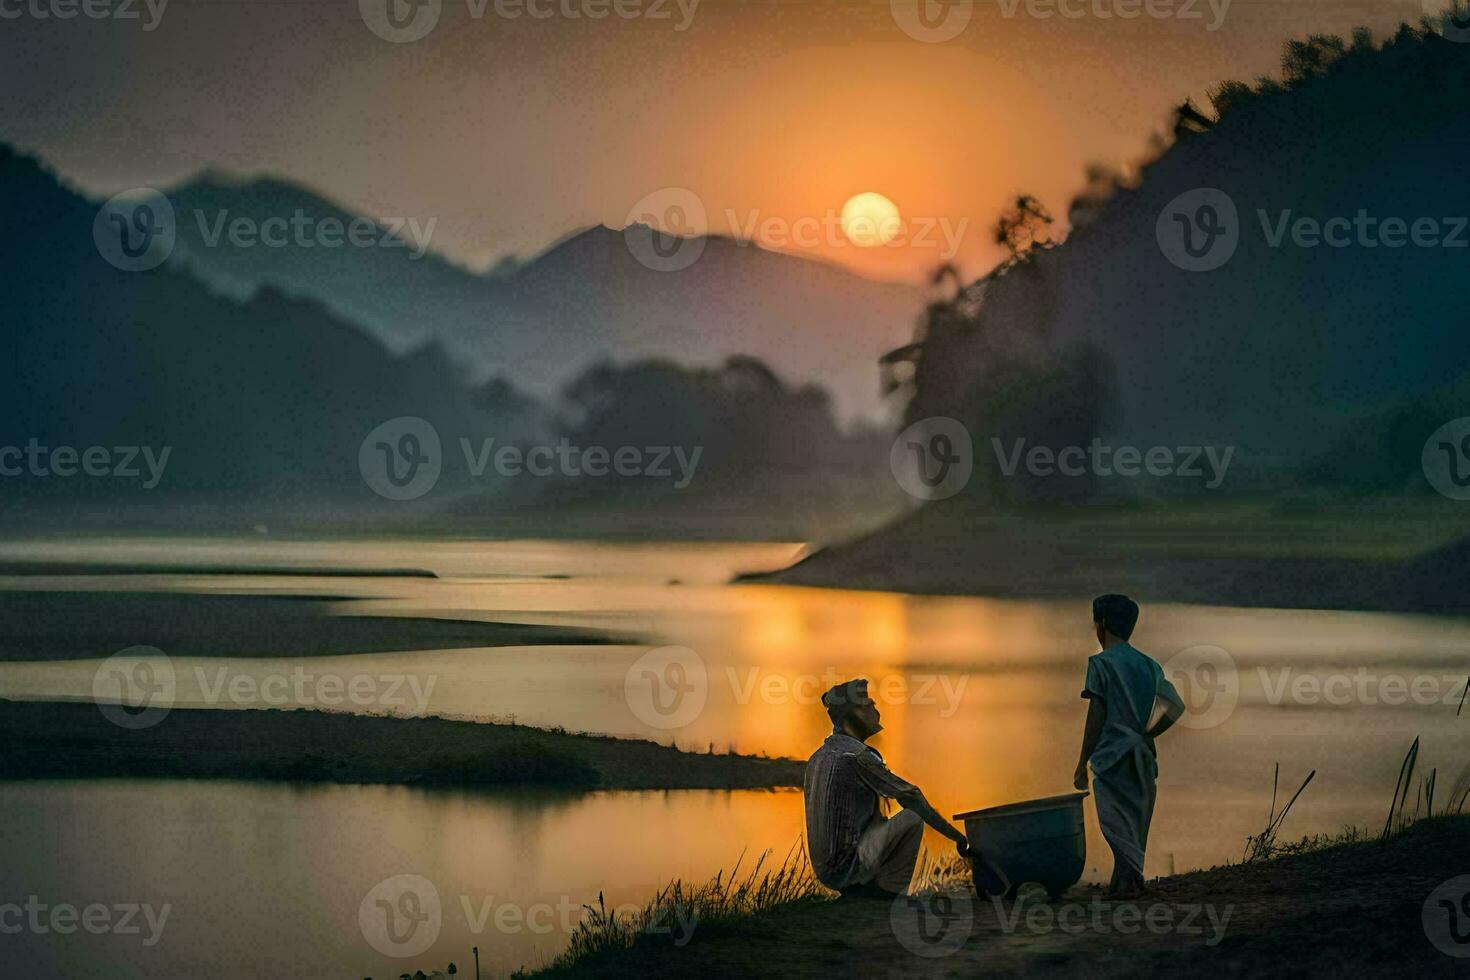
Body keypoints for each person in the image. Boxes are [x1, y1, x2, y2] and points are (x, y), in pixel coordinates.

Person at [803, 678, 972, 897]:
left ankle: (865, 890)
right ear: (850, 716)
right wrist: (956, 837)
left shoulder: (817, 758)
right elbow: (911, 795)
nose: (876, 711)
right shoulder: (858, 756)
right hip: (847, 867)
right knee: (912, 816)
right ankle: (889, 893)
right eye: (868, 706)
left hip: (825, 871)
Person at [1073, 594, 1185, 897]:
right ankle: (1126, 881)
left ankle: (1128, 881)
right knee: (1135, 816)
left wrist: (1082, 761)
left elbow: (1096, 713)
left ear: (1102, 625)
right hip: (1142, 752)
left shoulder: (1100, 664)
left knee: (1112, 818)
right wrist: (1149, 732)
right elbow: (1175, 705)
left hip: (1112, 753)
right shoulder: (1148, 665)